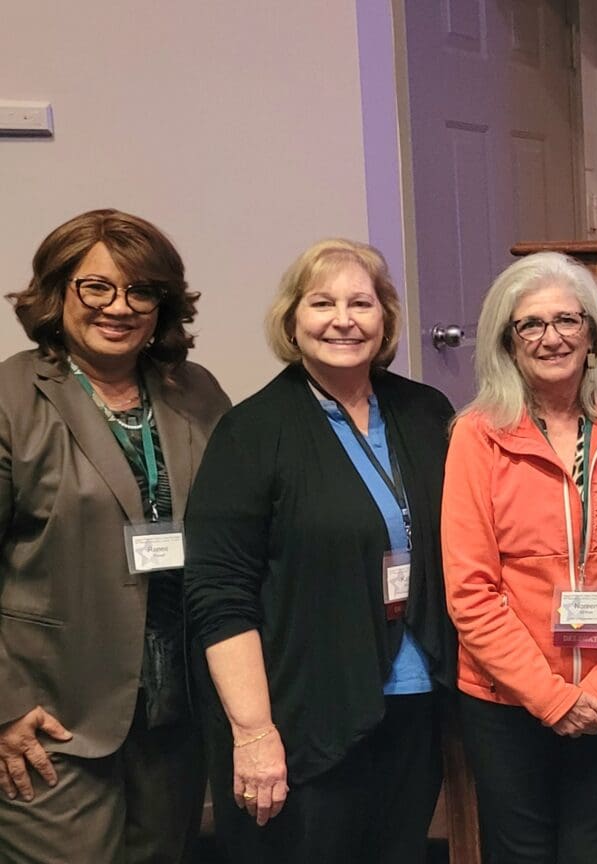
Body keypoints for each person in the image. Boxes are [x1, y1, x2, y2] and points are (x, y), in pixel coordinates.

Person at [183, 238, 457, 863]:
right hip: (305, 714)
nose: (343, 319)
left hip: (418, 700)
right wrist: (253, 734)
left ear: (384, 318)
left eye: (361, 303)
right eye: (322, 302)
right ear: (291, 318)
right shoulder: (252, 432)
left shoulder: (425, 412)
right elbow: (219, 593)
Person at [0, 209, 229, 862]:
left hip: (175, 706)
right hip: (51, 716)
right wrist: (5, 707)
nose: (119, 307)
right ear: (58, 291)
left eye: (140, 290)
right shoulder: (12, 398)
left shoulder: (198, 392)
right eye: (96, 287)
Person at [441, 250, 597, 863]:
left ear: (592, 335)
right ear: (508, 343)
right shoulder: (477, 434)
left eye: (568, 321)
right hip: (506, 700)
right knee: (520, 854)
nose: (552, 339)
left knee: (595, 853)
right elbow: (471, 590)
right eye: (532, 326)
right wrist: (551, 698)